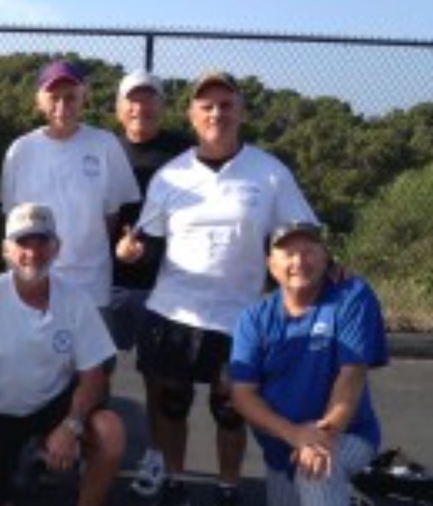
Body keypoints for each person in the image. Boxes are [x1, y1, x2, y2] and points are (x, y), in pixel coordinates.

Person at [116, 70, 318, 505]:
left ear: (241, 112)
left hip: (238, 317)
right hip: (173, 312)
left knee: (231, 410)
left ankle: (228, 489)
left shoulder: (270, 173)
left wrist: (328, 270)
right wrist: (134, 252)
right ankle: (174, 480)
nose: (216, 114)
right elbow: (150, 243)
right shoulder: (171, 176)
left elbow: (303, 235)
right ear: (191, 115)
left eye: (226, 105)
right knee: (171, 404)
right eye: (206, 106)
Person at [0, 203, 125, 506]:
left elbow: (93, 373)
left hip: (53, 405)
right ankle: (26, 463)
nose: (33, 252)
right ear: (6, 250)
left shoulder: (77, 299)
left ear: (57, 248)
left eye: (42, 241)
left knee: (110, 431)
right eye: (23, 243)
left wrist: (71, 426)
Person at [230, 222, 388, 505]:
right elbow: (243, 394)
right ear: (271, 264)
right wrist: (295, 435)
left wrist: (318, 438)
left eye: (309, 251)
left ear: (325, 257)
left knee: (315, 472)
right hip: (282, 447)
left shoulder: (352, 296)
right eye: (288, 253)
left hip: (346, 434)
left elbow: (351, 375)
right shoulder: (253, 319)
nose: (299, 261)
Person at [1, 59, 140, 315]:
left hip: (91, 284)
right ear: (38, 100)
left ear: (83, 97)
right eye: (53, 97)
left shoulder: (105, 144)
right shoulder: (20, 150)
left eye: (70, 97)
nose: (62, 106)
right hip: (33, 282)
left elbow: (113, 215)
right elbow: (12, 220)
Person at [109, 70, 190, 498]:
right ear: (119, 108)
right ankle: (89, 448)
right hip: (104, 282)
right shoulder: (104, 149)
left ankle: (156, 456)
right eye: (132, 99)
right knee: (92, 372)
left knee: (159, 380)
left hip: (164, 288)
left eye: (149, 98)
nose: (140, 107)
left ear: (162, 105)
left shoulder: (186, 152)